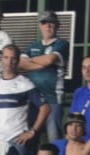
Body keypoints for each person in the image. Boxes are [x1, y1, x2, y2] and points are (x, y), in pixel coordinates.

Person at [0, 45, 50, 155]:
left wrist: (33, 131)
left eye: (13, 58)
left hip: (16, 140)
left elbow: (46, 108)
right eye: (6, 57)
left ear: (18, 61)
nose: (9, 62)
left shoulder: (24, 83)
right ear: (1, 59)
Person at [20, 11, 69, 142]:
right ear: (40, 26)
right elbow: (21, 64)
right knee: (30, 136)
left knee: (54, 138)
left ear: (57, 25)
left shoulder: (62, 44)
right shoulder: (33, 45)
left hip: (53, 97)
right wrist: (41, 64)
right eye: (44, 22)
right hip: (34, 98)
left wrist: (32, 61)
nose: (48, 26)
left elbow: (50, 59)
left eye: (51, 22)